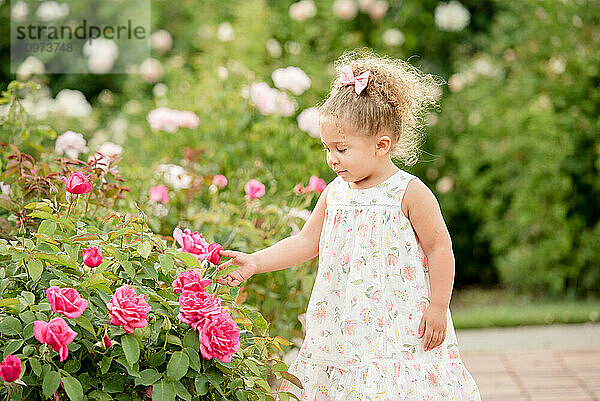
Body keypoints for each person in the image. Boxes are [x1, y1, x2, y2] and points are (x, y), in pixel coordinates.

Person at [216, 49, 481, 400]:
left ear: (381, 145)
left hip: (399, 328)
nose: (331, 159)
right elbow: (305, 242)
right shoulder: (335, 193)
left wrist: (438, 307)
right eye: (327, 149)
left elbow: (438, 248)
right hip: (343, 326)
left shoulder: (408, 193)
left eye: (341, 149)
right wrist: (255, 261)